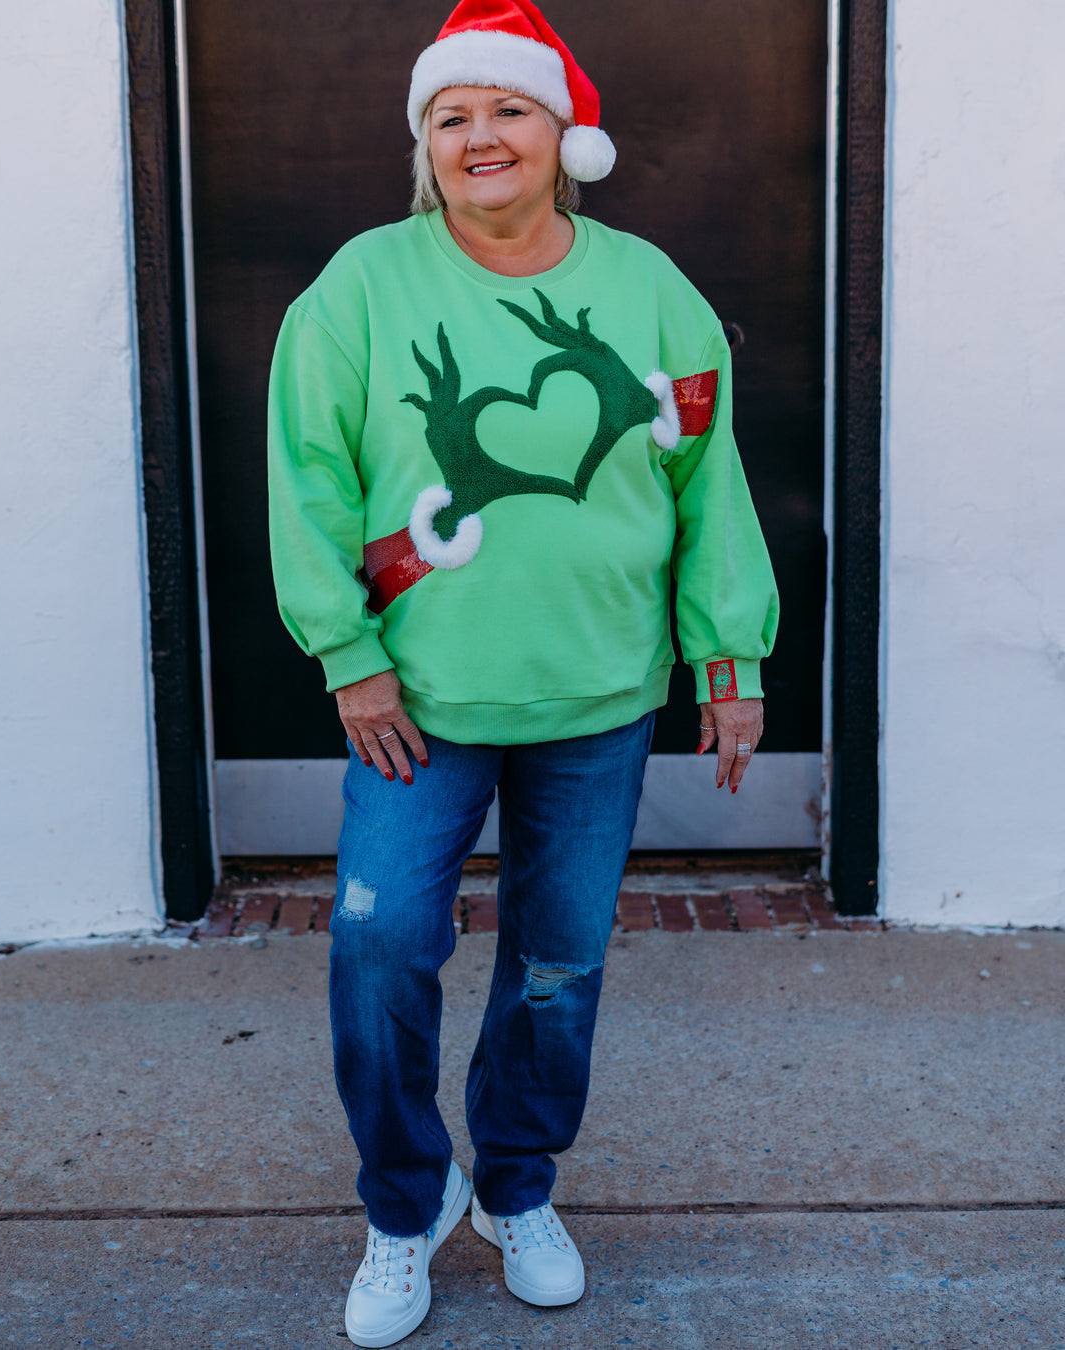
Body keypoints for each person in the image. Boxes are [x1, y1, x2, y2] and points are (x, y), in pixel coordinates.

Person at [268, 1, 779, 1343]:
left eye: (507, 110)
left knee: (558, 961)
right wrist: (349, 655)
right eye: (453, 116)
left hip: (601, 700)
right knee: (380, 939)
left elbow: (707, 483)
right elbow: (309, 480)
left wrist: (728, 658)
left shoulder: (653, 291)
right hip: (416, 708)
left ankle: (517, 1181)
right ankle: (404, 1202)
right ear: (426, 143)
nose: (480, 136)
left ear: (564, 136)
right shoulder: (362, 288)